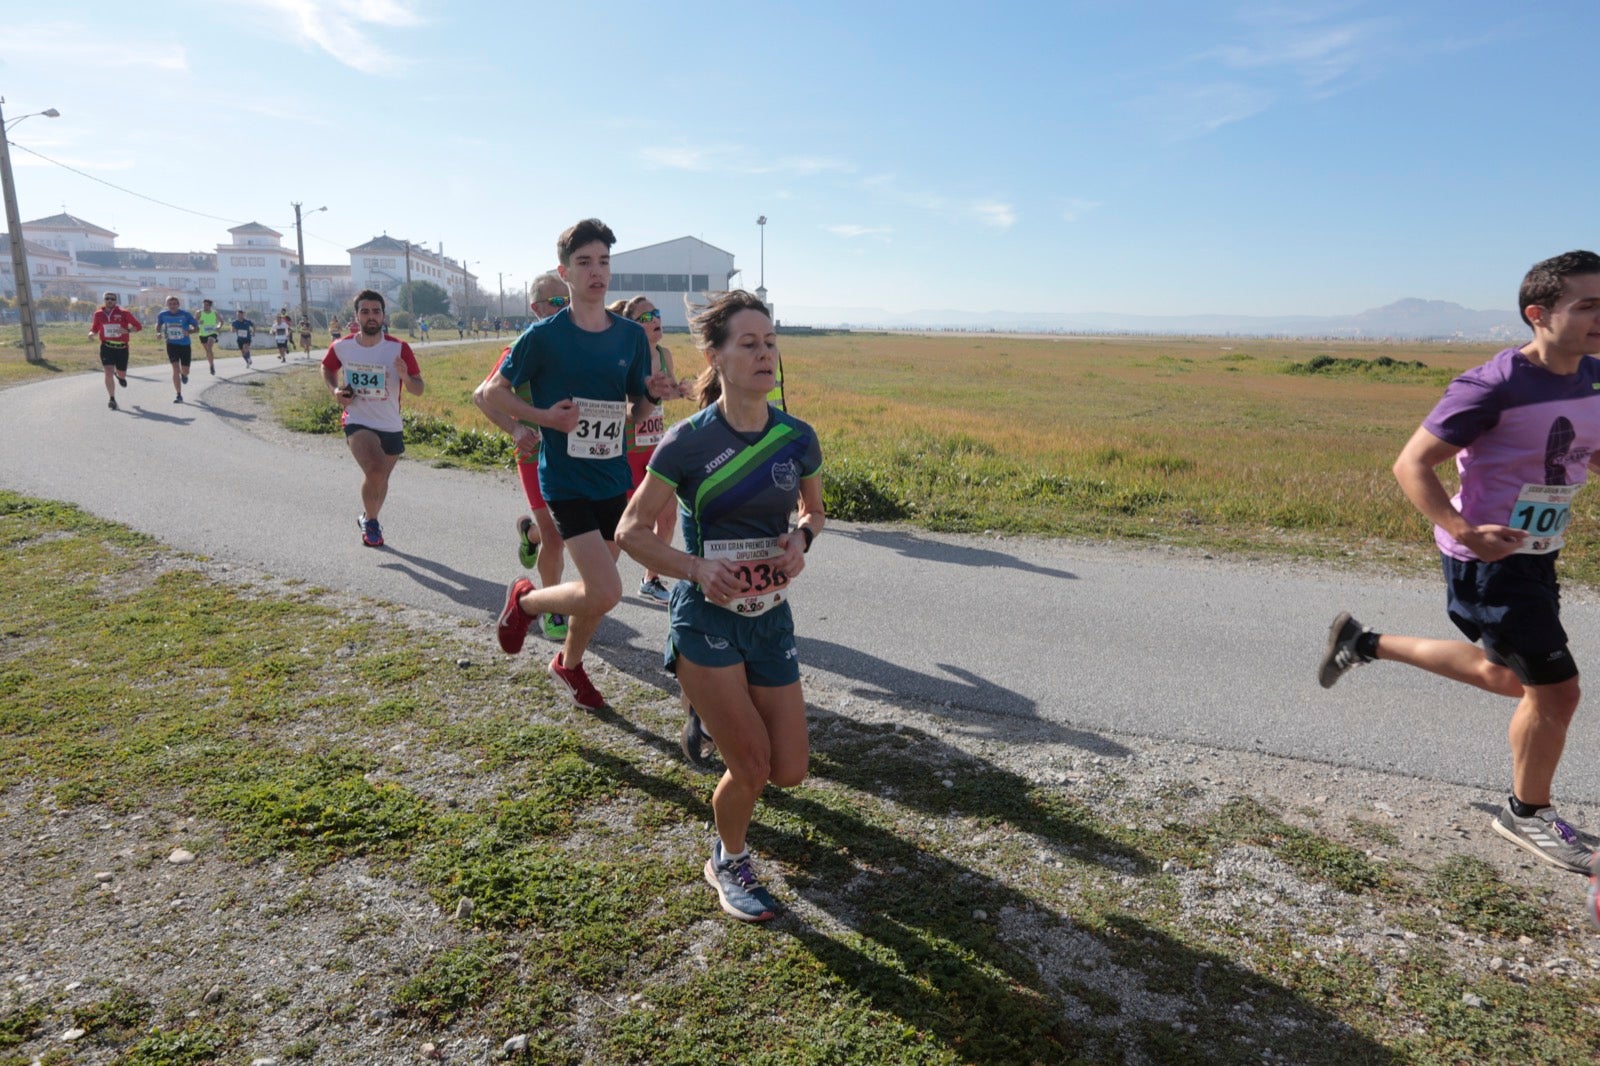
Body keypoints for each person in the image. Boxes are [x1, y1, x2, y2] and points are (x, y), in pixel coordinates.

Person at [1321, 250, 1600, 876]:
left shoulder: (1593, 376)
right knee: (1557, 692)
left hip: (1537, 555)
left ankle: (1364, 642)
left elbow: (1585, 450)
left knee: (1511, 680)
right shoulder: (1492, 385)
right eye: (1588, 306)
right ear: (1539, 314)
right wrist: (1463, 530)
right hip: (1489, 563)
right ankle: (1527, 814)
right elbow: (1410, 465)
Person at [617, 290, 824, 922]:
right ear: (717, 356)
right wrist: (697, 568)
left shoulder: (796, 437)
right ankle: (727, 859)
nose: (764, 354)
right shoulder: (686, 443)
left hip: (770, 617)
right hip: (704, 619)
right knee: (754, 765)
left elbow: (813, 510)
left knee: (790, 770)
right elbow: (630, 531)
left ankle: (707, 713)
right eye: (748, 343)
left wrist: (801, 539)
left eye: (770, 343)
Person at [488, 219, 678, 710]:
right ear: (565, 272)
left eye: (604, 262)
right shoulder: (544, 337)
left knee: (596, 594)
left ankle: (567, 665)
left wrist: (651, 399)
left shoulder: (632, 338)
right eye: (585, 263)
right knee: (609, 590)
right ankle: (525, 601)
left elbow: (635, 411)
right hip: (566, 480)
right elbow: (493, 392)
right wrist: (542, 417)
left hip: (613, 478)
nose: (597, 272)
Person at [472, 272, 573, 641]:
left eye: (569, 301)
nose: (566, 309)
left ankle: (529, 536)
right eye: (557, 303)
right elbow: (481, 395)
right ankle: (551, 609)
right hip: (537, 455)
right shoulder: (522, 348)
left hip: (576, 453)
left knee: (565, 531)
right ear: (536, 308)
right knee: (556, 536)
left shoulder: (578, 343)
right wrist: (516, 430)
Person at [320, 290, 424, 547]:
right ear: (356, 316)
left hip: (390, 423)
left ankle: (369, 517)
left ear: (383, 316)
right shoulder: (342, 346)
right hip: (357, 419)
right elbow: (327, 367)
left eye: (376, 311)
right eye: (365, 311)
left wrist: (405, 376)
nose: (371, 317)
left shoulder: (399, 348)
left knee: (381, 479)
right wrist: (335, 390)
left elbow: (418, 388)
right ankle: (373, 525)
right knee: (375, 470)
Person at [610, 295, 683, 604]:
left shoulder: (664, 354)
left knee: (667, 517)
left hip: (656, 451)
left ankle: (651, 579)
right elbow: (618, 404)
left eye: (656, 313)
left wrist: (685, 390)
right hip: (624, 451)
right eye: (646, 317)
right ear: (631, 326)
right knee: (618, 528)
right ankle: (597, 586)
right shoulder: (623, 357)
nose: (655, 319)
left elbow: (672, 390)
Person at [88, 291, 142, 411]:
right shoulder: (98, 314)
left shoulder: (124, 313)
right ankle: (112, 399)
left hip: (122, 348)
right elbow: (95, 328)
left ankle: (120, 377)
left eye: (112, 298)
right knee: (108, 372)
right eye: (107, 298)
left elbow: (138, 326)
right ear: (104, 300)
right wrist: (91, 333)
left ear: (116, 300)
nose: (109, 300)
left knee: (121, 373)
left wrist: (128, 331)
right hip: (106, 347)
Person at [155, 295, 198, 404]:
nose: (172, 306)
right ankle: (179, 394)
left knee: (185, 370)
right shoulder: (163, 315)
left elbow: (196, 328)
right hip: (171, 344)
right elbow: (158, 325)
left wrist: (190, 332)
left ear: (178, 305)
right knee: (175, 368)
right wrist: (158, 333)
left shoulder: (186, 315)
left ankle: (184, 375)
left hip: (184, 345)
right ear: (167, 305)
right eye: (170, 304)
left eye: (174, 304)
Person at [195, 298, 222, 375]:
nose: (204, 306)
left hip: (212, 333)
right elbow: (194, 322)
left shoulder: (214, 313)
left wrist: (218, 327)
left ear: (210, 306)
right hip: (202, 334)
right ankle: (211, 365)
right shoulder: (199, 312)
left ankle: (211, 366)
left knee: (209, 347)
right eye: (203, 305)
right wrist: (198, 322)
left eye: (206, 305)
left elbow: (221, 321)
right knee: (207, 351)